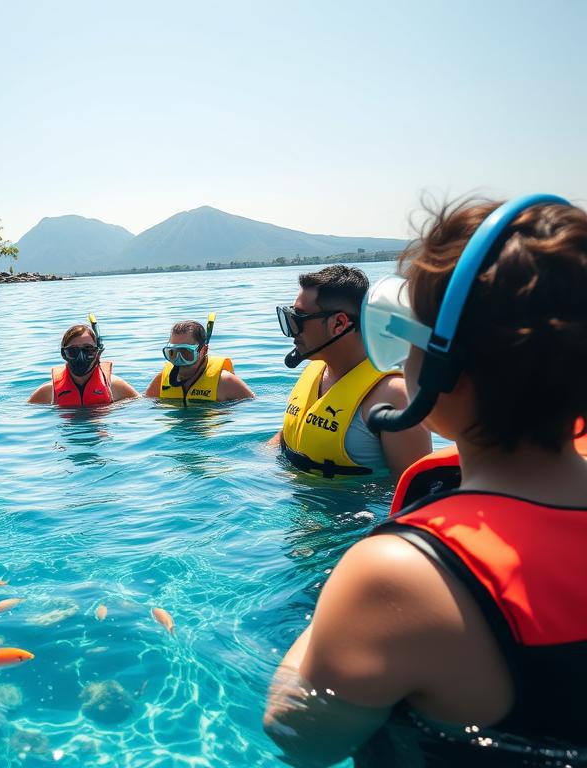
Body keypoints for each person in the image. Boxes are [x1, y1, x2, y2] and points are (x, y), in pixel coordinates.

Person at [263, 195, 587, 766]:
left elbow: (298, 735)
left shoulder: (396, 575)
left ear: (444, 366)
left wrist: (338, 605)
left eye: (410, 332)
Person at [269, 265, 431, 478]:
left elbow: (416, 492)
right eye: (288, 317)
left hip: (355, 510)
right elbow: (288, 436)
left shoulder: (396, 397)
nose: (291, 331)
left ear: (339, 323)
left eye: (298, 320)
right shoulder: (315, 370)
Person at [28, 315, 139, 405]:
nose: (81, 357)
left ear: (97, 353)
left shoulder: (115, 386)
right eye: (73, 351)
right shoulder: (49, 391)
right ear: (63, 354)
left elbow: (143, 407)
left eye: (88, 350)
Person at [144, 314, 255, 405]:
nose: (179, 360)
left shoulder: (225, 382)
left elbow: (253, 409)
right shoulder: (162, 380)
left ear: (203, 351)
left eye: (186, 353)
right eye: (172, 353)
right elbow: (143, 406)